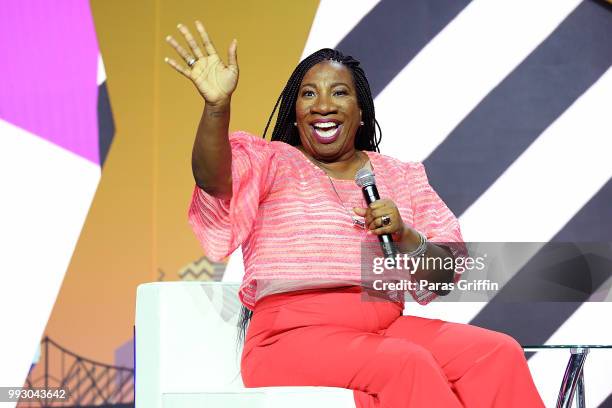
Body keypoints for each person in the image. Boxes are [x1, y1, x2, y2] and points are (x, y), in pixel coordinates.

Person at [164, 20, 545, 408]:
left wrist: (407, 239)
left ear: (361, 112)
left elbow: (446, 274)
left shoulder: (399, 175)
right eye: (309, 94)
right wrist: (216, 107)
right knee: (406, 364)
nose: (323, 104)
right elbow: (212, 179)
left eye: (339, 93)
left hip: (385, 327)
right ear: (295, 113)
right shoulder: (271, 161)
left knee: (496, 353)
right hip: (289, 338)